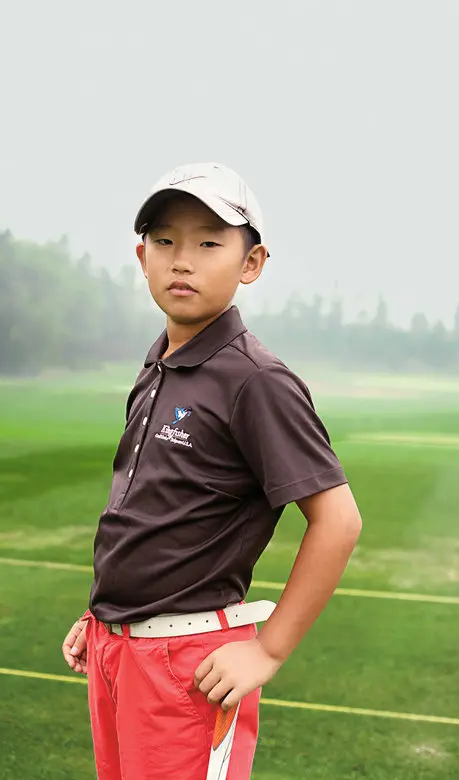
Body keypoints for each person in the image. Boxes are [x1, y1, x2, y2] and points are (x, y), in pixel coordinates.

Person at [62, 162, 362, 779]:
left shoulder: (256, 381)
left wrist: (268, 649)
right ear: (141, 256)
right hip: (120, 651)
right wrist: (106, 614)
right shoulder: (159, 366)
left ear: (251, 263)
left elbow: (338, 521)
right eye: (165, 241)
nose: (182, 260)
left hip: (190, 665)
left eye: (207, 242)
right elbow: (157, 512)